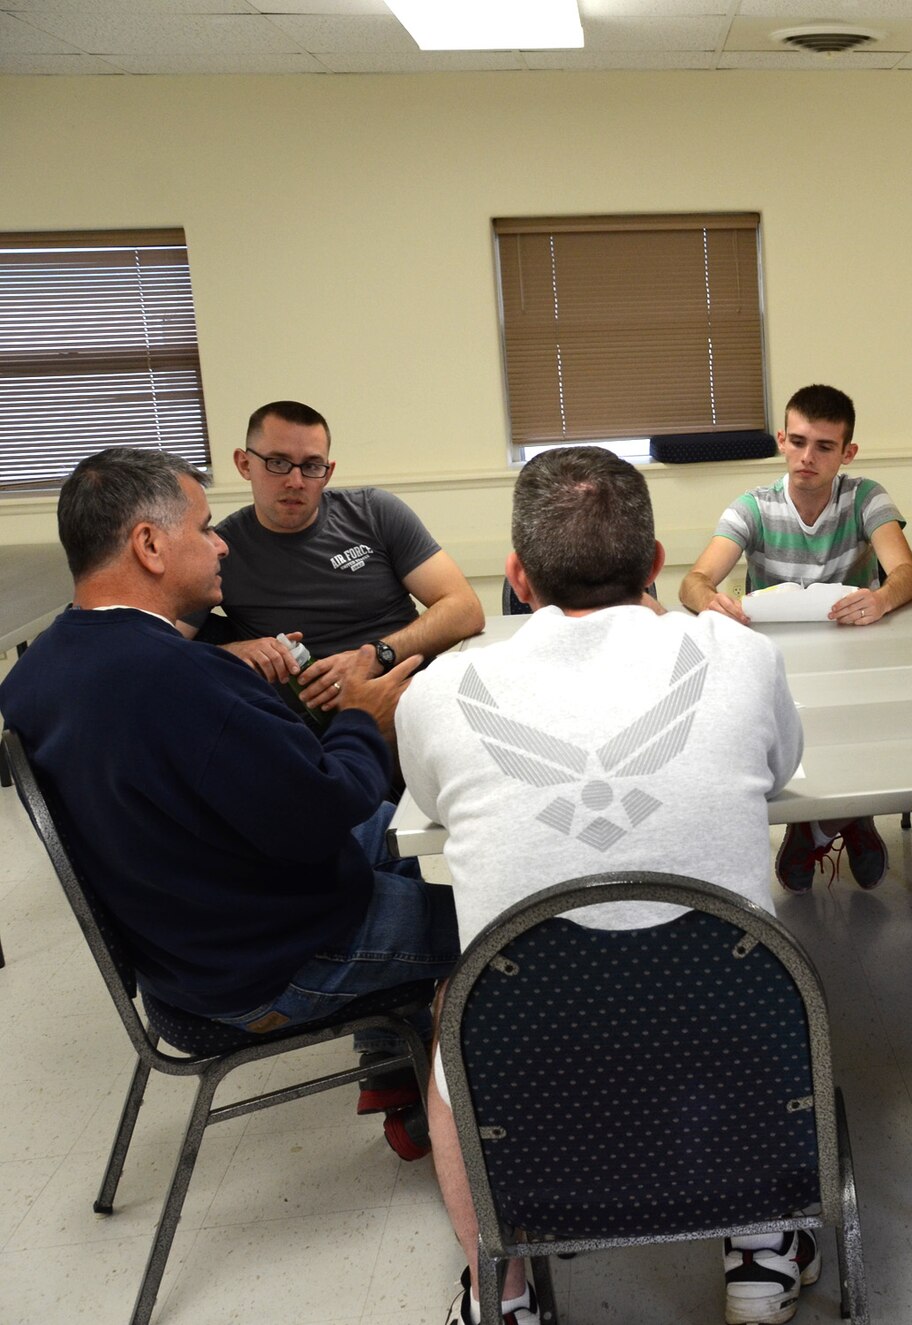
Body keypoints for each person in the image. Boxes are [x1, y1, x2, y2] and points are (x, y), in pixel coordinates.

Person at [398, 447, 807, 1325]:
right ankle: (763, 1250)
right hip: (732, 1009)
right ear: (656, 565)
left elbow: (427, 805)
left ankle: (499, 1290)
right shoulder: (739, 655)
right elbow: (782, 768)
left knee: (451, 1009)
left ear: (515, 575)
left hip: (529, 1031)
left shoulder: (438, 690)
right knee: (770, 972)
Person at [0, 447, 454, 1153]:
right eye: (206, 527)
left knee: (402, 841)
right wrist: (365, 715)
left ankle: (400, 1062)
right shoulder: (179, 680)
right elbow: (325, 811)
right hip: (279, 957)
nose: (221, 545)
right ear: (149, 544)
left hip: (188, 950)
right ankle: (490, 1135)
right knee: (496, 916)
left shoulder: (42, 669)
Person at [679, 384, 912, 892]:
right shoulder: (755, 506)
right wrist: (710, 600)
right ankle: (822, 821)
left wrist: (882, 598)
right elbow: (693, 582)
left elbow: (906, 574)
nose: (808, 457)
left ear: (846, 453)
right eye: (799, 442)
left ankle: (840, 819)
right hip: (777, 657)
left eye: (825, 447)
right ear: (783, 440)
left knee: (860, 724)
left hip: (856, 649)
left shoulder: (865, 497)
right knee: (785, 732)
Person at [183, 400, 486, 713]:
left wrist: (375, 656)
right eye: (278, 462)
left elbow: (465, 608)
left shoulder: (374, 513)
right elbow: (157, 646)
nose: (295, 481)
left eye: (312, 466)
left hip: (407, 704)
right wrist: (231, 654)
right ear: (245, 464)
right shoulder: (220, 549)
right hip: (301, 733)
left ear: (328, 473)